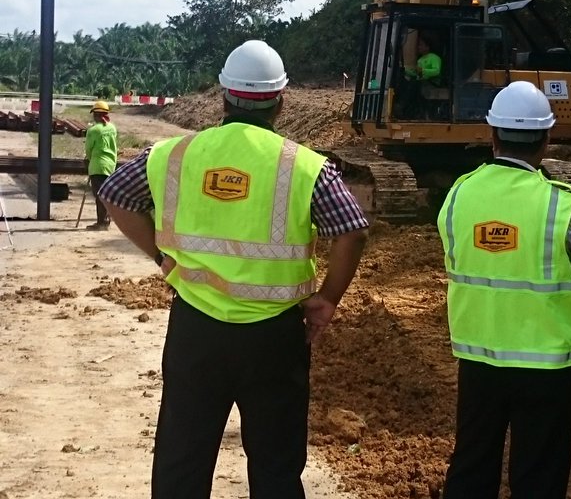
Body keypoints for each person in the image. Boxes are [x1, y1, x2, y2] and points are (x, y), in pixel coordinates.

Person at [99, 39, 369, 499]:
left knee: (182, 458)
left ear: (224, 96)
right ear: (281, 102)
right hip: (274, 336)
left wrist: (161, 257)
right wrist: (327, 300)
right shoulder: (306, 166)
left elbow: (115, 194)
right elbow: (352, 231)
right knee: (276, 464)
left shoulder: (174, 154)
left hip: (195, 329)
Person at [437, 80, 571, 499]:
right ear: (546, 140)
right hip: (547, 367)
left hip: (479, 358)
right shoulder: (562, 205)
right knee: (539, 475)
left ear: (492, 135)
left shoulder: (458, 195)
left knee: (472, 465)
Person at [84, 99, 118, 230]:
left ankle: (102, 223)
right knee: (107, 194)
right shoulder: (112, 128)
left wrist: (89, 161)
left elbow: (88, 150)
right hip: (110, 165)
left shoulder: (93, 130)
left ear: (96, 115)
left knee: (99, 196)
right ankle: (106, 220)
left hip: (98, 166)